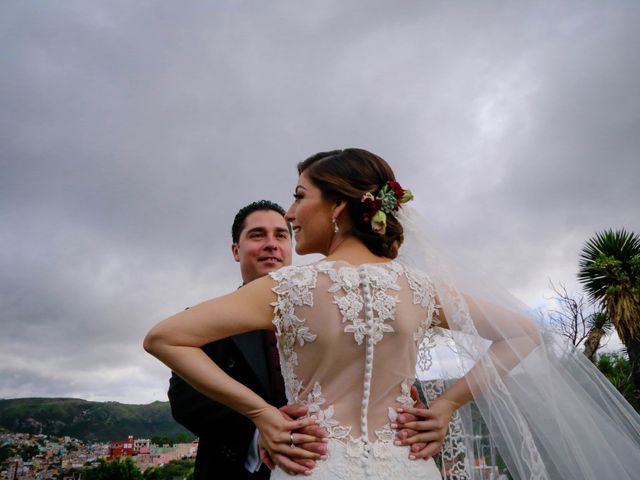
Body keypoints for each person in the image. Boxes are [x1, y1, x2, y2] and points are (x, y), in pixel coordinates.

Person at [146, 149, 640, 479]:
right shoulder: (423, 289)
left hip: (314, 468)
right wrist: (447, 405)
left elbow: (164, 338)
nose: (291, 214)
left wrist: (262, 414)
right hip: (408, 464)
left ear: (337, 205)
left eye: (300, 196)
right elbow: (524, 332)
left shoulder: (287, 288)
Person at [167, 200, 326, 479]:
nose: (271, 244)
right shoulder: (201, 322)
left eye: (280, 235)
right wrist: (258, 434)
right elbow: (184, 400)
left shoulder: (327, 317)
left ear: (290, 247)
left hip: (320, 465)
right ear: (235, 251)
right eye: (257, 235)